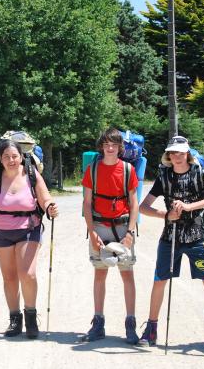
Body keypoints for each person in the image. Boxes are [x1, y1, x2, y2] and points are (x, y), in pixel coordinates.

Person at [138, 135, 204, 352]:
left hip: (199, 236)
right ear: (168, 155)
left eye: (180, 152)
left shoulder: (200, 172)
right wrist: (167, 215)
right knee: (160, 280)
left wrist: (189, 207)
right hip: (170, 237)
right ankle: (151, 328)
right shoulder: (163, 176)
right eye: (172, 152)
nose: (176, 156)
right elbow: (143, 207)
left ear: (187, 152)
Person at [0, 139, 58, 339]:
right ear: (0, 159)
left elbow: (45, 198)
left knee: (27, 274)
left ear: (21, 157)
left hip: (28, 228)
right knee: (9, 277)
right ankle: (14, 319)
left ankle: (30, 316)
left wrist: (50, 207)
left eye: (14, 156)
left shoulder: (31, 174)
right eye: (6, 157)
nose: (11, 160)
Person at [81, 128, 140, 344]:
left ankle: (130, 324)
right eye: (106, 144)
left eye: (114, 144)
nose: (110, 148)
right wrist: (92, 231)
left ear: (120, 147)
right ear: (102, 146)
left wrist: (130, 233)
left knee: (127, 275)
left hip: (123, 227)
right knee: (100, 274)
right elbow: (87, 203)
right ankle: (98, 323)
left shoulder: (128, 169)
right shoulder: (92, 169)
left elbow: (134, 203)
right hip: (99, 225)